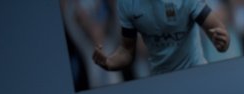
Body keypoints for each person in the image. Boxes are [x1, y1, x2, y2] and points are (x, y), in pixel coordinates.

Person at [92, 0, 230, 76]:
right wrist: (109, 62)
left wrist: (223, 41)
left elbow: (216, 28)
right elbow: (127, 50)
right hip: (160, 79)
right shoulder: (127, 4)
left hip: (195, 71)